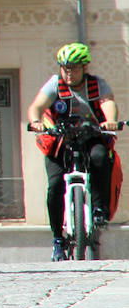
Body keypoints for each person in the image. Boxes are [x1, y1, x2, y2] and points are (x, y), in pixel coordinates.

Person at [26, 42, 118, 261]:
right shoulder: (54, 84)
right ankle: (58, 239)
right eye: (65, 67)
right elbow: (36, 106)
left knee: (99, 158)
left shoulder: (96, 84)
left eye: (74, 68)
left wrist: (111, 120)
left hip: (90, 135)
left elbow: (108, 103)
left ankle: (99, 210)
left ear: (84, 68)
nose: (69, 72)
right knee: (55, 184)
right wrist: (36, 121)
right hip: (60, 139)